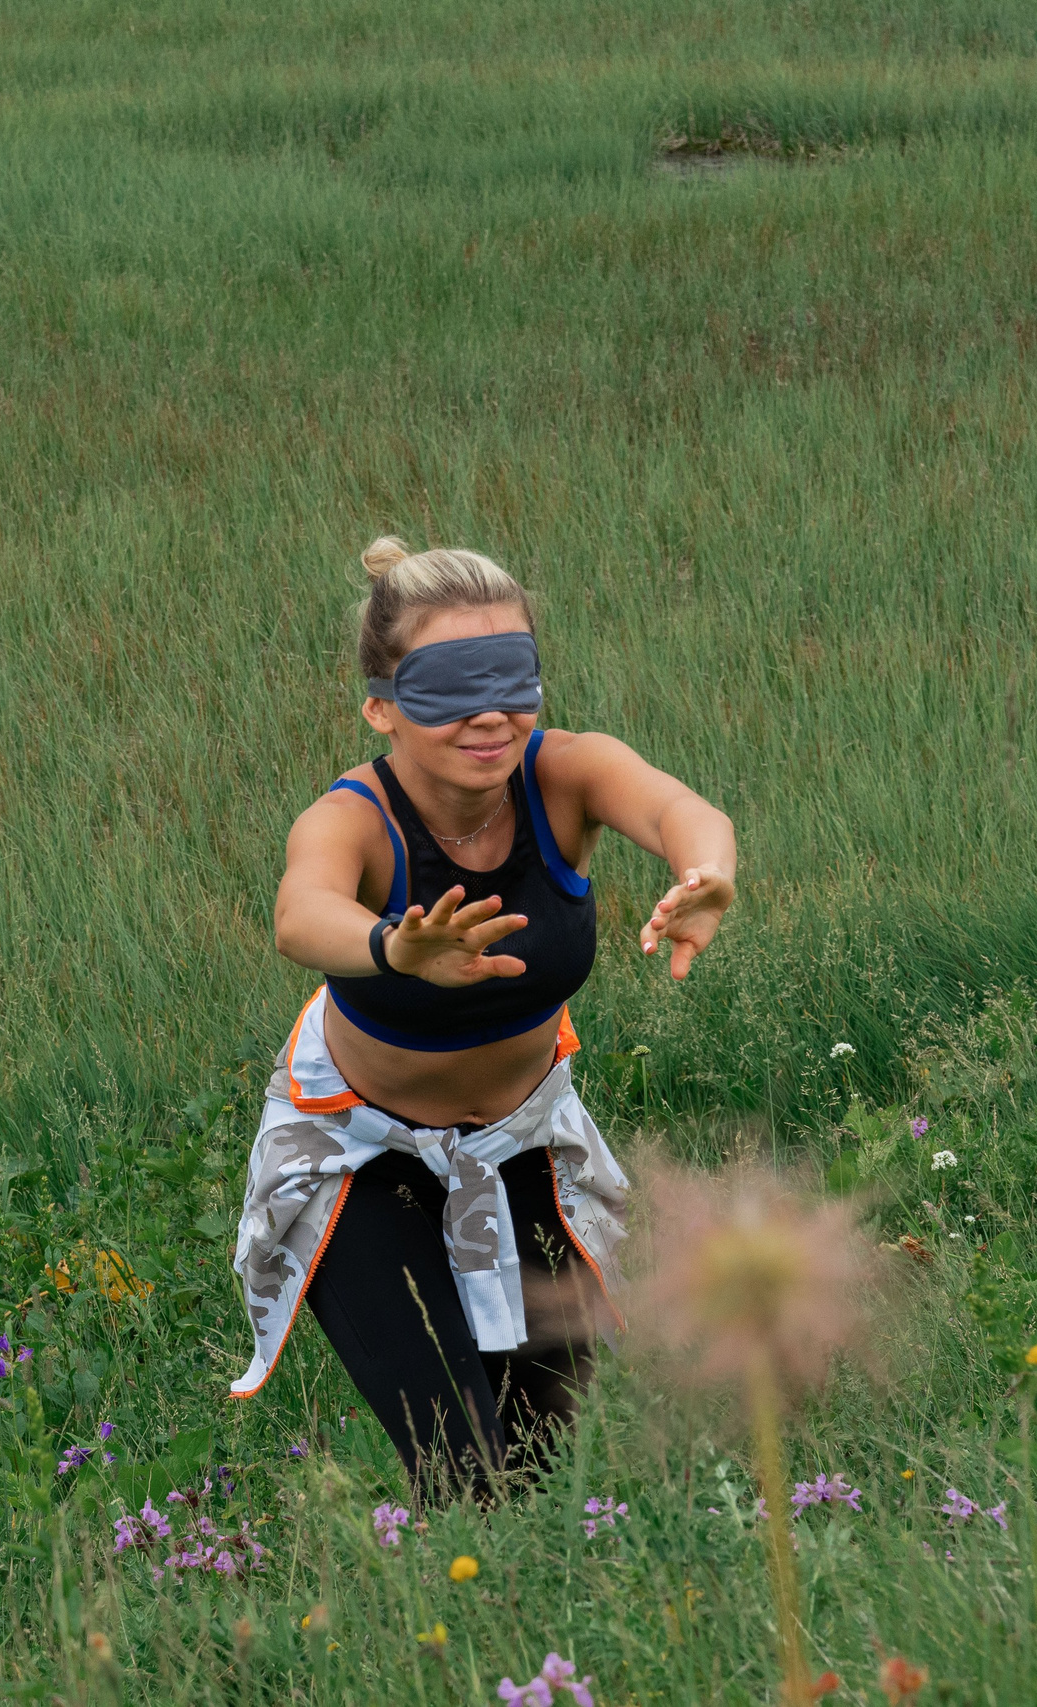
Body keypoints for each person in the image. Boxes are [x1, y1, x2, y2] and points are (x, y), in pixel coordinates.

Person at [231, 538, 736, 1493]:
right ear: (381, 705)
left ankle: (546, 1639)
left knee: (545, 1463)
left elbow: (681, 811)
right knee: (463, 1469)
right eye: (449, 686)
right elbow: (302, 912)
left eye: (511, 676)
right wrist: (393, 947)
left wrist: (709, 875)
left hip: (525, 1141)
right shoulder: (353, 817)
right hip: (363, 1155)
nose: (490, 713)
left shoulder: (567, 775)